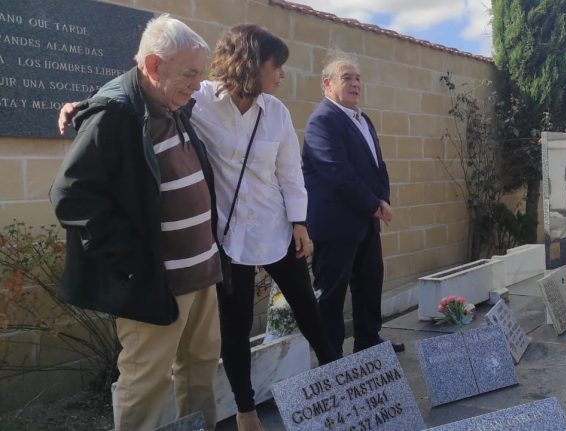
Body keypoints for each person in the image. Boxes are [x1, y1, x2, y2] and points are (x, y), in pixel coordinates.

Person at [57, 25, 337, 431]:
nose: (282, 75)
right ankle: (245, 412)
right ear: (251, 64)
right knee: (226, 335)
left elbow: (291, 174)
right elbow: (135, 97)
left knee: (294, 317)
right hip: (222, 242)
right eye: (277, 66)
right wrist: (87, 105)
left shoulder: (273, 111)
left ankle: (341, 387)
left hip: (261, 234)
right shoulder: (199, 99)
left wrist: (299, 221)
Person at [50, 15, 222, 430]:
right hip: (155, 283)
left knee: (200, 369)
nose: (198, 83)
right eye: (190, 73)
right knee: (146, 385)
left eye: (201, 73)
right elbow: (71, 196)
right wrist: (134, 261)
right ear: (152, 65)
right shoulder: (114, 116)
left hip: (202, 274)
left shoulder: (173, 104)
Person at [302, 54, 405, 358]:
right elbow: (337, 171)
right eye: (347, 77)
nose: (355, 83)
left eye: (358, 78)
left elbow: (377, 166)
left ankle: (368, 341)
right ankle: (331, 357)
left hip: (367, 221)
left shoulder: (363, 119)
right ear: (327, 84)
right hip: (336, 226)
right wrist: (374, 204)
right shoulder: (322, 121)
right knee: (332, 296)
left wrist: (382, 199)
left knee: (370, 284)